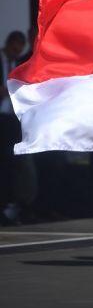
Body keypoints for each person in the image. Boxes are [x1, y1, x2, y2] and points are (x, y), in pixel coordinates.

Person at [0, 31, 27, 225]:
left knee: (10, 163)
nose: (16, 51)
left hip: (11, 118)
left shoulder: (19, 63)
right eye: (14, 47)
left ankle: (8, 205)